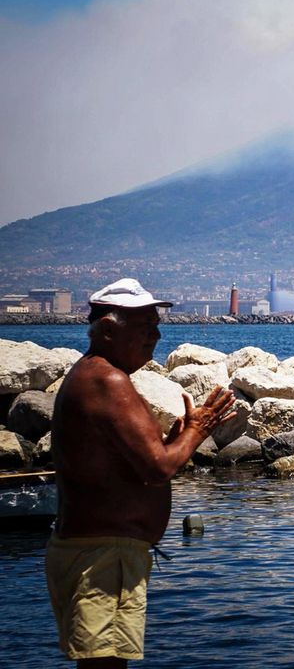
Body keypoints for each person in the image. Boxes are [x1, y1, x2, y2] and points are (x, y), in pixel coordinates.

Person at [46, 278, 237, 668]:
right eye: (145, 326)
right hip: (102, 557)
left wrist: (180, 435)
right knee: (105, 663)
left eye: (156, 324)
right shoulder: (108, 381)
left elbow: (130, 461)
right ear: (109, 330)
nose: (156, 334)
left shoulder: (92, 375)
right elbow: (157, 468)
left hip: (97, 551)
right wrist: (200, 430)